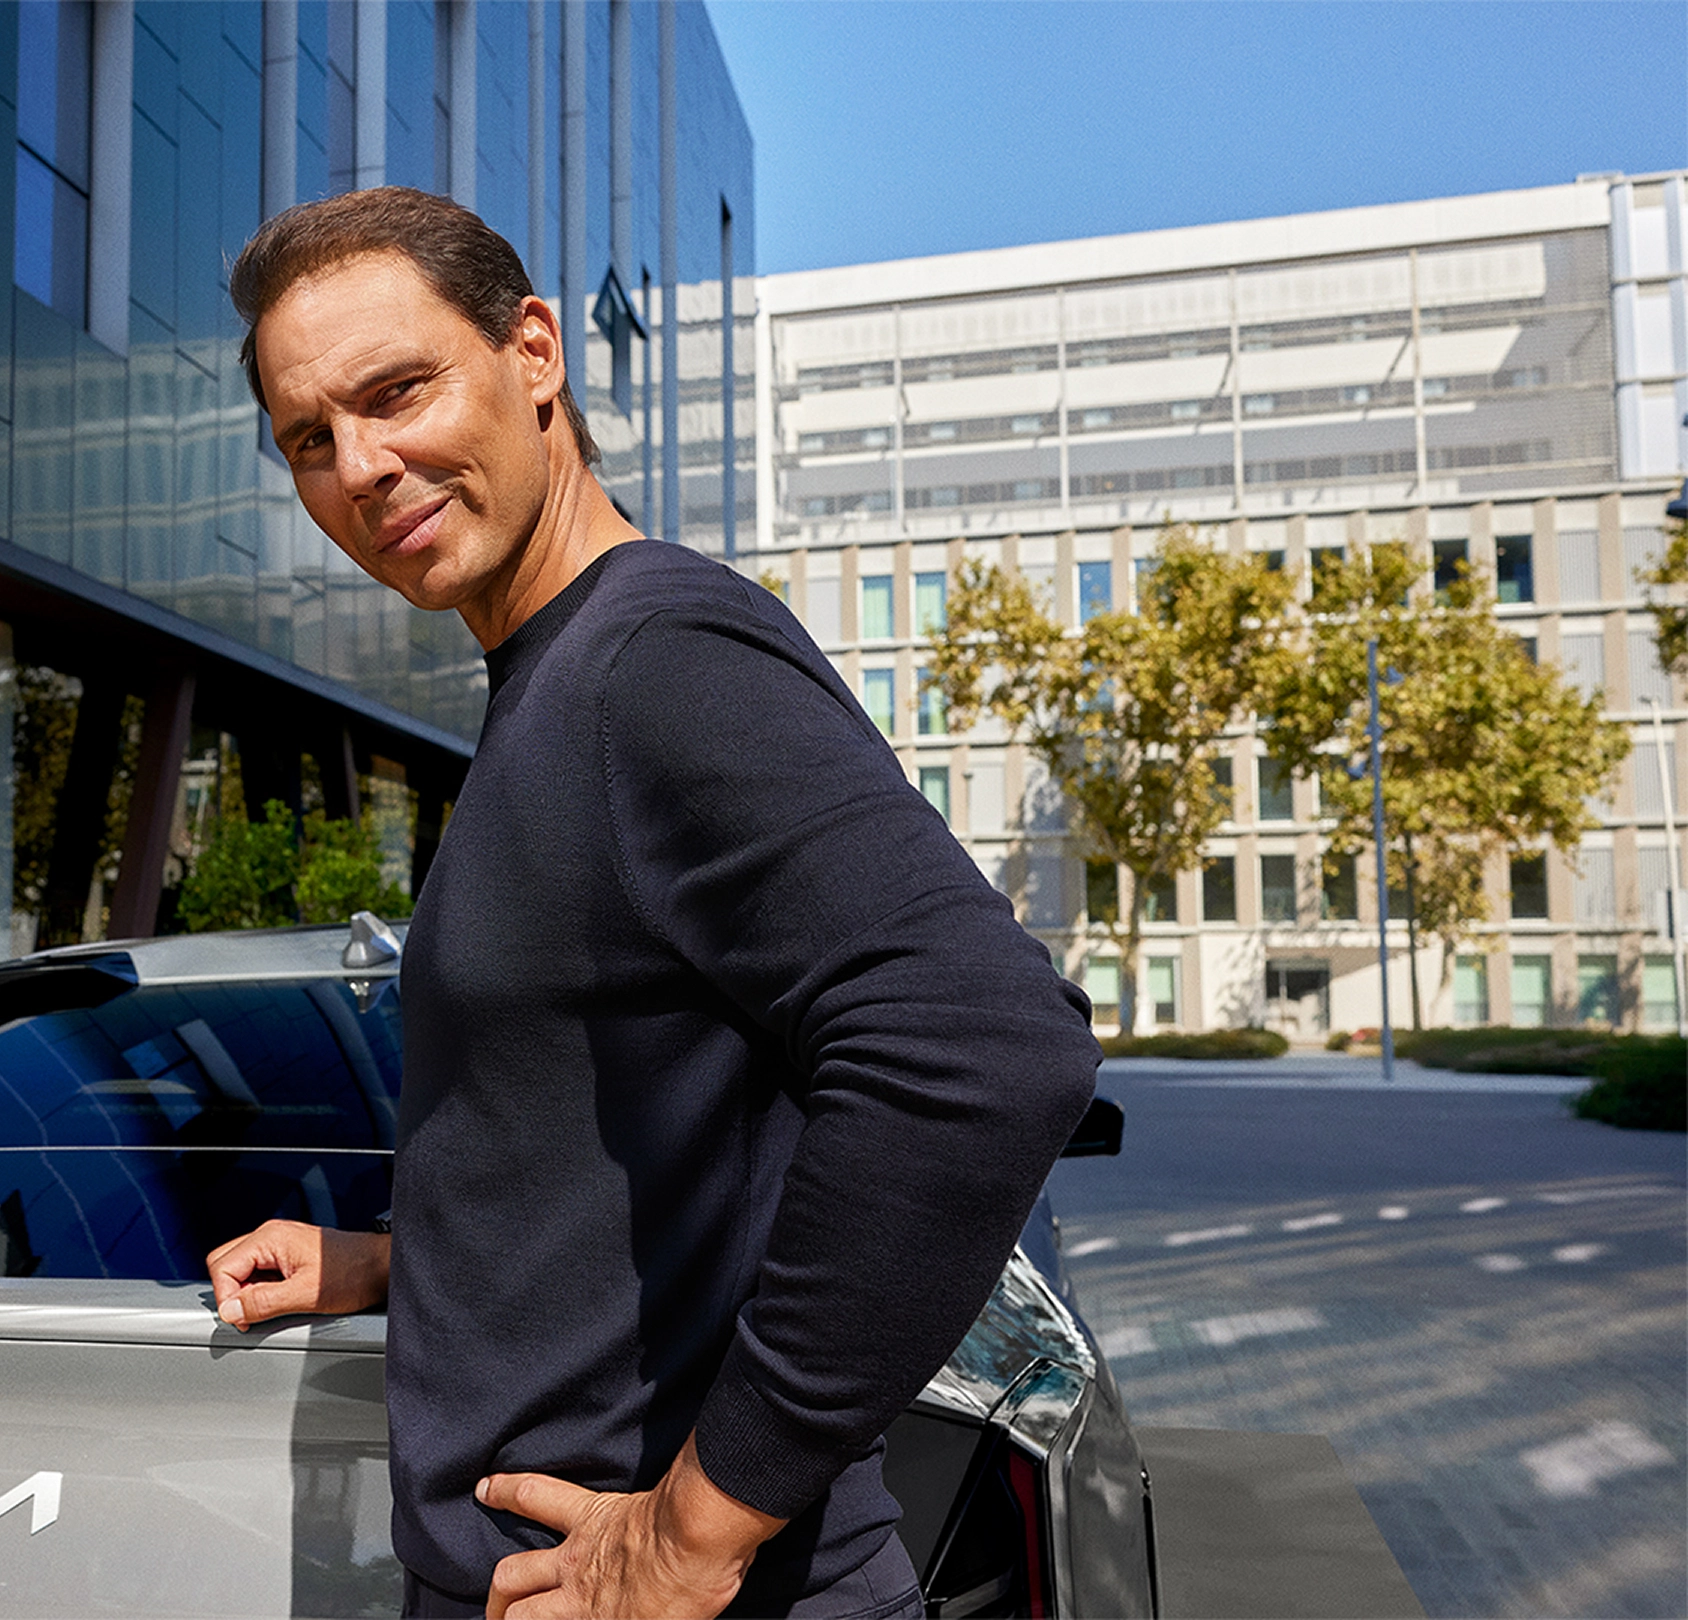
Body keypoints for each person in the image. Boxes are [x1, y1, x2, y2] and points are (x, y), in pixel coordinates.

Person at [202, 187, 1100, 1620]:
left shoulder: (655, 658)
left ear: (534, 353)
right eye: (310, 438)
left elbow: (983, 1049)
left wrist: (693, 1531)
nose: (360, 466)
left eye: (397, 392)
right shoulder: (555, 683)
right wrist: (402, 1265)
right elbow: (633, 1132)